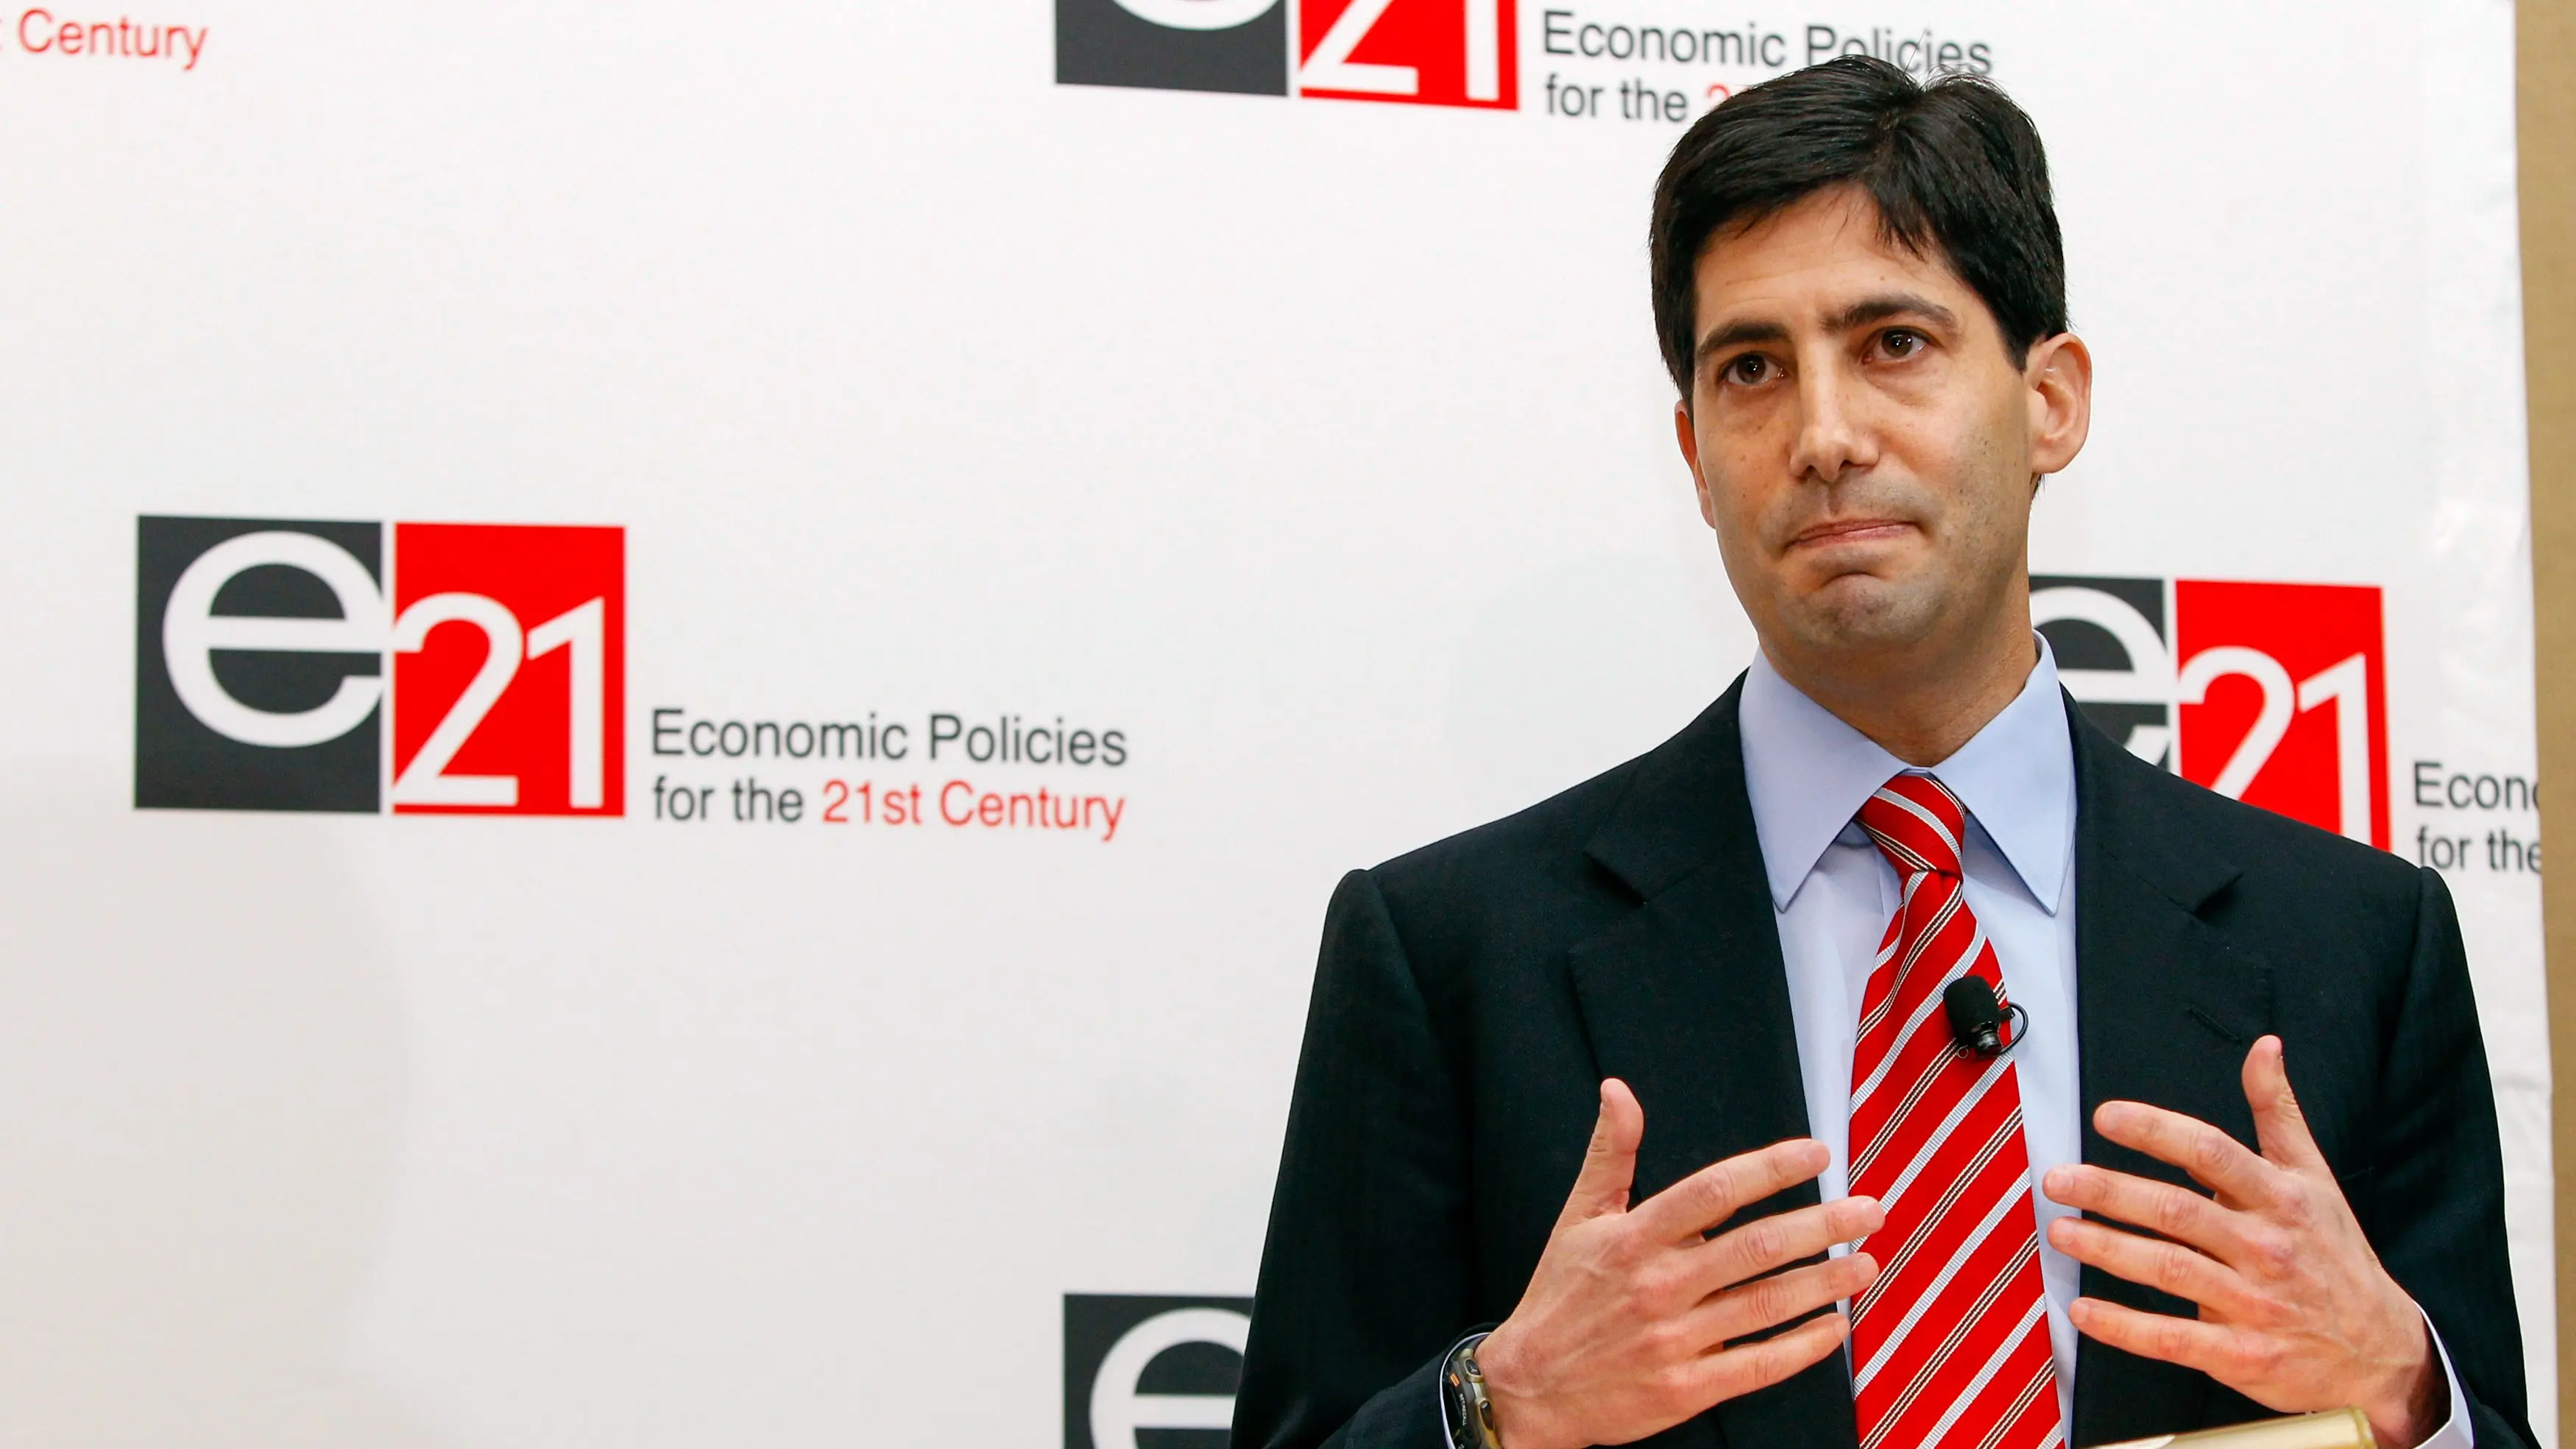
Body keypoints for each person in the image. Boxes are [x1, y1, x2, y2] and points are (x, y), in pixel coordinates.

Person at [1231, 56, 2532, 1449]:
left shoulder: (2355, 944)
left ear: (2053, 401)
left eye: (1894, 344)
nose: (1825, 437)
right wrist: (1497, 1407)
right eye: (1752, 370)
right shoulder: (1448, 956)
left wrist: (2408, 1391)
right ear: (1693, 451)